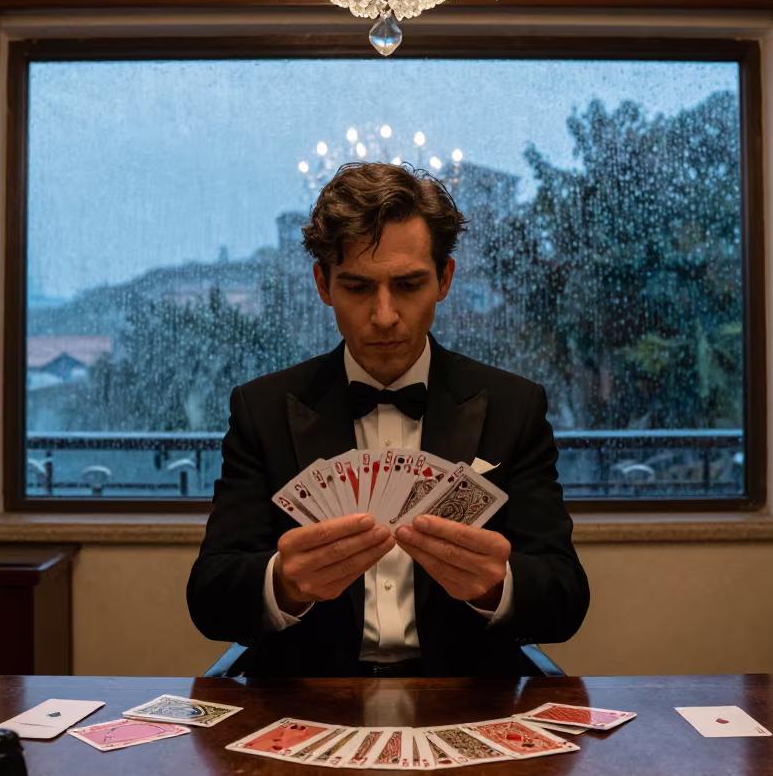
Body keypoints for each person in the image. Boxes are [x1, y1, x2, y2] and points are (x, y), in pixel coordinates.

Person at [187, 163, 589, 677]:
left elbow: (567, 599)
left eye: (407, 284)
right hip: (308, 700)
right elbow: (209, 597)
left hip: (465, 698)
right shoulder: (261, 408)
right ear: (323, 285)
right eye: (357, 287)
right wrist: (282, 584)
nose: (383, 315)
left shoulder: (515, 407)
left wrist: (497, 586)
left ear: (444, 279)